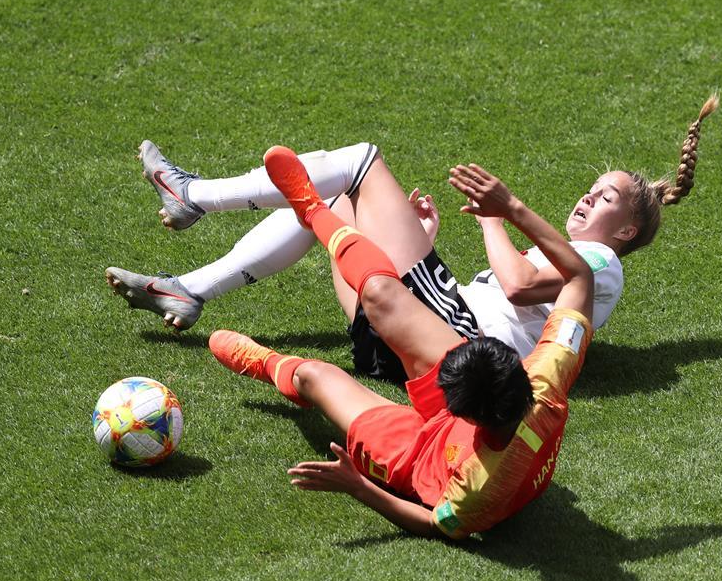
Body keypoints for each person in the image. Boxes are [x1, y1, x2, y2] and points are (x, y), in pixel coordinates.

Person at [106, 94, 718, 381]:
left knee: (361, 162)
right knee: (331, 202)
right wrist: (423, 243)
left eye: (604, 198)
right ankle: (188, 289)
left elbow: (517, 284)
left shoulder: (601, 260)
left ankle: (195, 196)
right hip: (420, 345)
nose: (587, 198)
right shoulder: (584, 263)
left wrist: (490, 219)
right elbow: (513, 294)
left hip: (449, 336)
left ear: (628, 228)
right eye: (592, 188)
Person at [208, 145, 596, 538]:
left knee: (314, 375)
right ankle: (312, 210)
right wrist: (509, 207)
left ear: (466, 416)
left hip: (422, 455)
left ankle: (267, 364)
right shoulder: (547, 374)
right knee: (379, 292)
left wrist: (359, 487)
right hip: (488, 408)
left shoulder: (479, 489)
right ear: (517, 368)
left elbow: (434, 522)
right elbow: (581, 278)